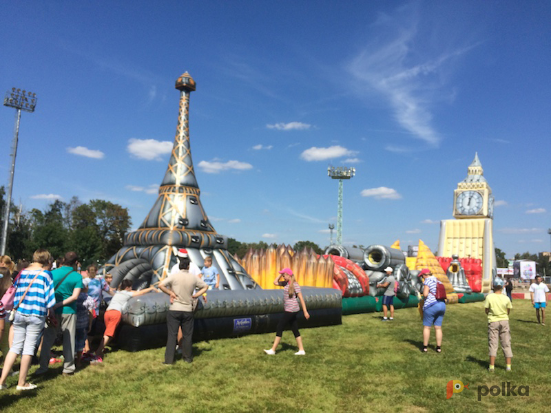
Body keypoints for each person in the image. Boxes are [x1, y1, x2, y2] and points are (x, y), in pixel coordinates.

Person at [0, 249, 55, 391]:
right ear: (47, 260)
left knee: (15, 347)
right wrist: (52, 314)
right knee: (29, 348)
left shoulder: (22, 273)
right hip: (36, 314)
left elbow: (14, 290)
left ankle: (2, 381)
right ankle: (22, 382)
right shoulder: (46, 275)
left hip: (19, 312)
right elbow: (50, 300)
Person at [36, 251, 83, 376]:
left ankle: (43, 367)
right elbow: (75, 297)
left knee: (47, 340)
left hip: (51, 311)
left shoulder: (51, 273)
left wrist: (53, 306)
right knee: (69, 339)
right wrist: (60, 304)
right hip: (69, 311)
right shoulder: (77, 276)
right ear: (76, 263)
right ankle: (68, 368)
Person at [159, 251, 208, 364]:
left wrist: (170, 293)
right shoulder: (193, 278)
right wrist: (196, 295)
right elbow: (205, 286)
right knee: (187, 335)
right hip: (187, 310)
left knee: (172, 335)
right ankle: (187, 358)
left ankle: (169, 360)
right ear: (188, 267)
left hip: (175, 309)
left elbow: (160, 285)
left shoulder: (174, 276)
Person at [93, 280, 157, 363]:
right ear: (127, 288)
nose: (131, 289)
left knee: (107, 332)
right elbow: (139, 293)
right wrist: (150, 288)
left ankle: (102, 347)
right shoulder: (127, 293)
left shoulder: (119, 293)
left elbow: (134, 292)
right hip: (115, 313)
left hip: (108, 312)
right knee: (109, 333)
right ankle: (98, 352)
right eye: (130, 287)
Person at [264, 268, 310, 356]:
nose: (283, 277)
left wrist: (305, 312)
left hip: (291, 310)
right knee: (294, 328)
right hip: (290, 309)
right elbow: (275, 282)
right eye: (283, 276)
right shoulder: (285, 283)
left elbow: (301, 298)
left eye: (284, 275)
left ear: (289, 275)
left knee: (279, 326)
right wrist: (281, 274)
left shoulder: (295, 285)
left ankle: (273, 350)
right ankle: (301, 350)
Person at [484, 284, 513, 371]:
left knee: (493, 343)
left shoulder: (489, 297)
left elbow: (486, 309)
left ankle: (492, 366)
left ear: (493, 288)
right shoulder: (506, 298)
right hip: (504, 320)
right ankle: (508, 366)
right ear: (502, 288)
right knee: (506, 343)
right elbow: (508, 310)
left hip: (493, 320)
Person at [419, 269, 446, 353]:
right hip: (442, 305)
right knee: (438, 327)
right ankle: (438, 347)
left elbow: (425, 294)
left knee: (427, 327)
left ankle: (425, 347)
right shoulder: (438, 280)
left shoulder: (427, 281)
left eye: (422, 276)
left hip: (431, 305)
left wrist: (422, 295)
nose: (422, 278)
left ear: (424, 275)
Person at [82, 264, 107, 353]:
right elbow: (108, 289)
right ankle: (88, 347)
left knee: (86, 328)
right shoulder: (100, 281)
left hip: (85, 307)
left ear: (86, 272)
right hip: (95, 309)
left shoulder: (84, 281)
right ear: (97, 272)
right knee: (92, 329)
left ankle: (87, 347)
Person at [74, 285, 95, 366]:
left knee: (71, 341)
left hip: (72, 322)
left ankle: (70, 360)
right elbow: (90, 313)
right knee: (80, 342)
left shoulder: (73, 297)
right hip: (83, 324)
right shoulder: (89, 299)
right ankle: (78, 361)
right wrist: (90, 324)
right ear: (86, 288)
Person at [0, 268, 13, 361]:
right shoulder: (11, 288)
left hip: (4, 317)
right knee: (5, 345)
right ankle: (9, 368)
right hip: (6, 317)